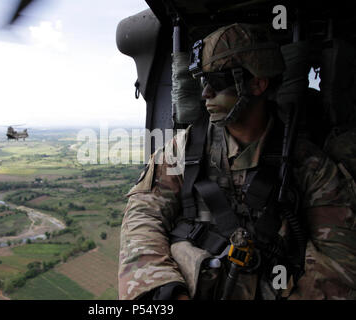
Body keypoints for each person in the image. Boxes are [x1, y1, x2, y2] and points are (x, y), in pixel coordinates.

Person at [118, 23, 355, 300]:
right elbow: (143, 218)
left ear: (257, 83)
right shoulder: (183, 150)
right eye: (202, 81)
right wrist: (163, 291)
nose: (205, 93)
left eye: (217, 82)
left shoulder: (310, 167)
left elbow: (339, 262)